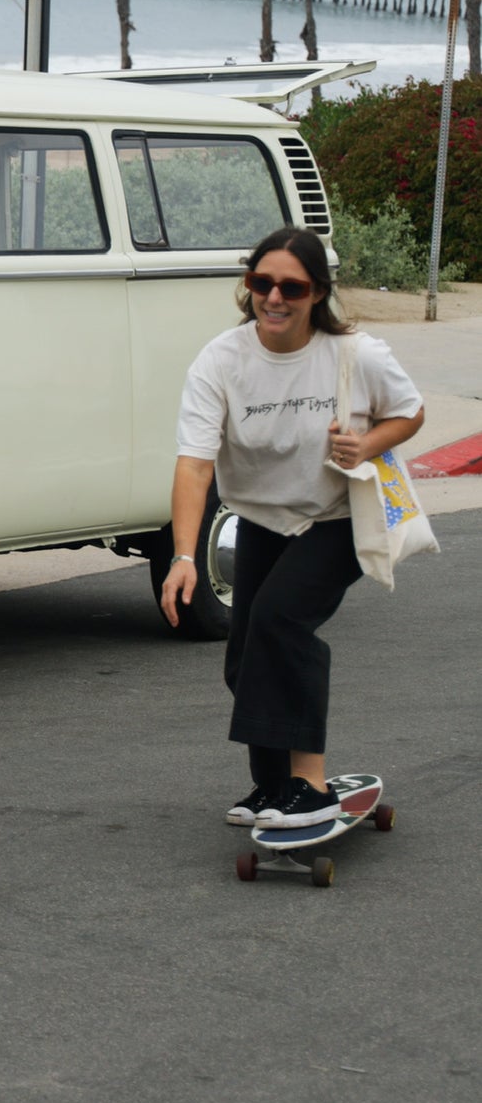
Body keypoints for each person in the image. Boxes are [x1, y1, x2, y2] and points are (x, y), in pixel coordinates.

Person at [161, 225, 424, 828]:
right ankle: (274, 785)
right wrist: (182, 557)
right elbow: (195, 465)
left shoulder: (356, 354)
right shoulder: (221, 360)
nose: (274, 298)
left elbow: (409, 412)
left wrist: (367, 445)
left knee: (281, 622)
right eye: (261, 283)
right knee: (244, 655)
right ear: (247, 285)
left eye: (292, 287)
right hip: (261, 519)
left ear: (317, 293)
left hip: (337, 519)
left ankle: (309, 783)